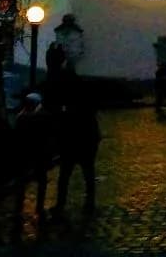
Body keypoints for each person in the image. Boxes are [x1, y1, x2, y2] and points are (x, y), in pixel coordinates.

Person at [50, 66, 101, 217]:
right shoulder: (86, 90)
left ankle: (61, 204)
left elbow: (61, 118)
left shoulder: (66, 95)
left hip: (73, 140)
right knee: (87, 173)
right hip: (86, 138)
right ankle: (89, 202)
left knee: (66, 175)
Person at [12, 92, 53, 220]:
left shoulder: (21, 118)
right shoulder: (43, 117)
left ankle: (18, 208)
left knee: (21, 182)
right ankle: (39, 207)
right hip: (39, 154)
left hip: (24, 154)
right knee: (41, 181)